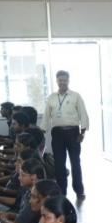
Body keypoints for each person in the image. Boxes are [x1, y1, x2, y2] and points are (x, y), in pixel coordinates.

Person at [41, 70, 89, 199]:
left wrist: (82, 132)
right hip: (57, 134)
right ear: (57, 81)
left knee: (75, 162)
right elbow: (46, 116)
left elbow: (83, 113)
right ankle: (61, 192)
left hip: (73, 132)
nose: (62, 82)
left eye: (65, 80)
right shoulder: (52, 97)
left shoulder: (75, 96)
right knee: (59, 164)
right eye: (60, 80)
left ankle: (79, 191)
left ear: (68, 81)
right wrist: (42, 131)